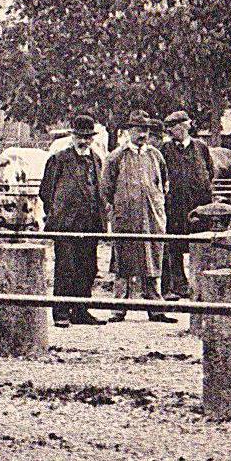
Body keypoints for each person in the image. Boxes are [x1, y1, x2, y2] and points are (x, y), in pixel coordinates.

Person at [41, 115, 108, 327]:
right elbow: (46, 191)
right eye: (80, 136)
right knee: (65, 268)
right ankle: (61, 312)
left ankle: (81, 310)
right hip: (67, 224)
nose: (84, 141)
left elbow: (100, 191)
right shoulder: (59, 159)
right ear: (73, 136)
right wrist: (56, 213)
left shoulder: (97, 160)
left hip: (90, 224)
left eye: (88, 137)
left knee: (88, 268)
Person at [102, 110, 168, 322]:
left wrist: (155, 204)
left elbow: (164, 184)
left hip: (152, 218)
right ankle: (119, 307)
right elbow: (106, 189)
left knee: (152, 259)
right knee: (123, 262)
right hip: (126, 218)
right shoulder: (116, 157)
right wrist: (120, 207)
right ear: (129, 131)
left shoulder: (155, 156)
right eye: (138, 130)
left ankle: (155, 308)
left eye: (146, 131)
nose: (142, 135)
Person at [159, 110, 213, 300]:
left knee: (201, 245)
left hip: (198, 206)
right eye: (171, 129)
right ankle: (179, 285)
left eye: (176, 127)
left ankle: (201, 285)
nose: (174, 131)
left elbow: (210, 172)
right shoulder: (164, 149)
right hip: (175, 206)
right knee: (174, 247)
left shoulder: (201, 147)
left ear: (186, 126)